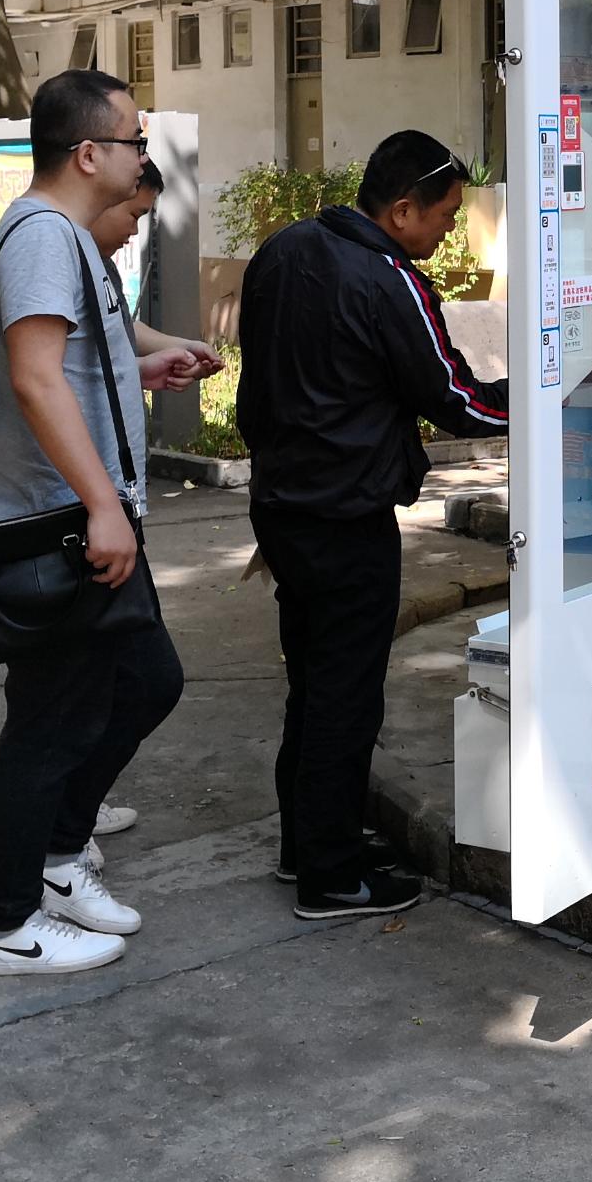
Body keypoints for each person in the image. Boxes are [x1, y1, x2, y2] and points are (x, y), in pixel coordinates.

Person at [238, 129, 507, 920]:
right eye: (445, 217)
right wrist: (541, 389)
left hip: (283, 506)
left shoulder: (284, 250)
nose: (448, 232)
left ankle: (309, 845)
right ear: (400, 210)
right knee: (346, 695)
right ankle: (332, 876)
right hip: (346, 515)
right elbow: (454, 399)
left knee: (314, 683)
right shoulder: (390, 280)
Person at [0, 70, 193, 977]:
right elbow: (32, 376)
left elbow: (74, 363)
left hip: (89, 518)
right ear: (89, 153)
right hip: (55, 526)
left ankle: (59, 860)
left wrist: (148, 371)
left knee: (144, 684)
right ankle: (10, 926)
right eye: (136, 139)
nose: (145, 153)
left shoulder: (65, 239)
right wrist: (101, 505)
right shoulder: (41, 237)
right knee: (49, 726)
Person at [79, 157, 220, 854]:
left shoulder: (93, 261)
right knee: (138, 677)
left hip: (110, 504)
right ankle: (60, 832)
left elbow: (112, 340)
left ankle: (73, 803)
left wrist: (166, 353)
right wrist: (101, 505)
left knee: (106, 678)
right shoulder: (50, 252)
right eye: (134, 212)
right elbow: (44, 384)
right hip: (81, 511)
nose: (135, 230)